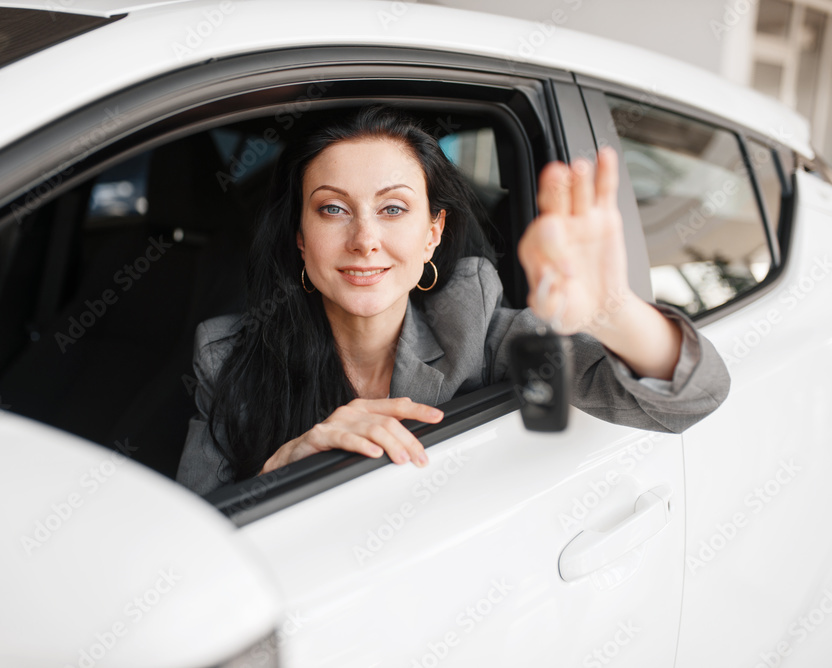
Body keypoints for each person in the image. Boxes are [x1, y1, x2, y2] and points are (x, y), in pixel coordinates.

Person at [177, 106, 730, 496]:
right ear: (300, 235)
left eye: (393, 209)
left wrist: (613, 309)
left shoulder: (480, 334)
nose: (365, 239)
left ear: (433, 233)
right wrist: (281, 468)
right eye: (333, 209)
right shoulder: (226, 359)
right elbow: (188, 547)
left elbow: (691, 401)